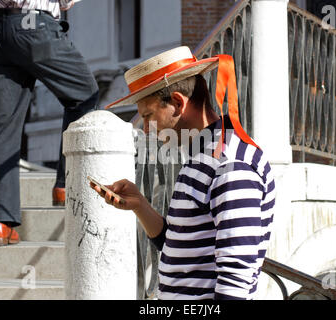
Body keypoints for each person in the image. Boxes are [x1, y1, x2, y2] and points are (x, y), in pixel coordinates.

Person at [91, 46, 276, 300]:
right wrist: (139, 205)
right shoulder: (201, 155)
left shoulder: (231, 163)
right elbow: (178, 248)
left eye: (148, 116)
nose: (145, 129)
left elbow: (235, 279)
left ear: (177, 103)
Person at [0, 0, 99, 247]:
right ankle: (65, 185)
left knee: (0, 125)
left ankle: (1, 223)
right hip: (32, 23)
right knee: (85, 95)